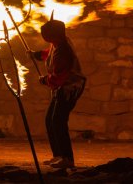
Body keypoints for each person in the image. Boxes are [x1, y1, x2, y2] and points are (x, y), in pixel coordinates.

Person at [30, 15, 86, 169]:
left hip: (70, 87)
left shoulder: (64, 51)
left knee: (58, 121)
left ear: (53, 35)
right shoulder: (59, 42)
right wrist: (38, 55)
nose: (44, 36)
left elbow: (57, 78)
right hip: (62, 87)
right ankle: (58, 156)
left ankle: (67, 158)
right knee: (50, 120)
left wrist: (44, 80)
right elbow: (49, 53)